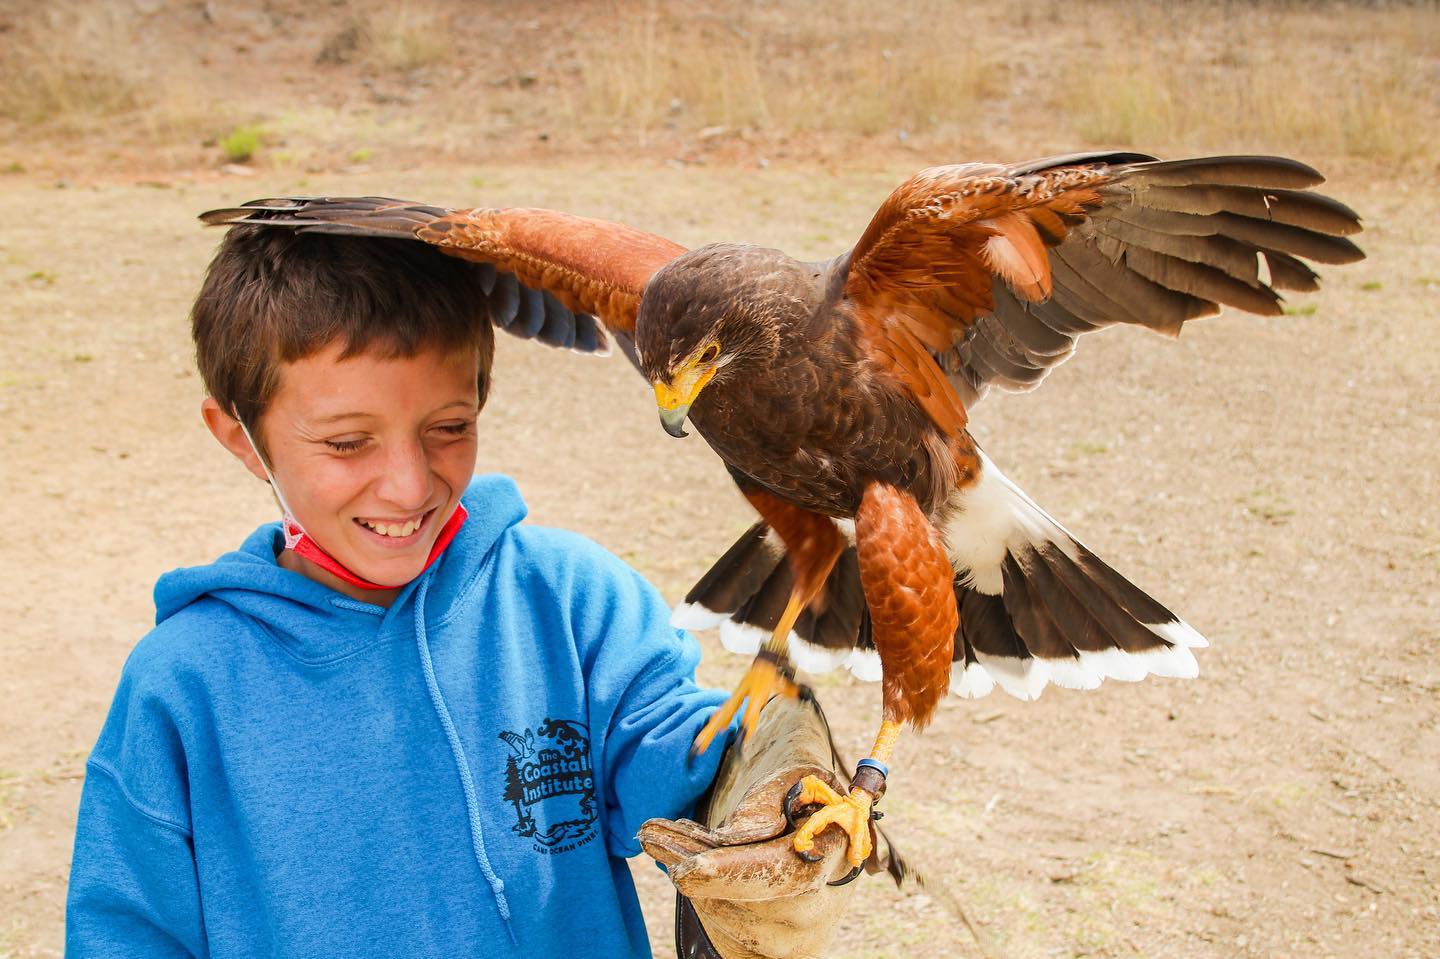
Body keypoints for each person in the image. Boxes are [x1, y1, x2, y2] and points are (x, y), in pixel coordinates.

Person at [64, 225, 738, 957]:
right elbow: (125, 932)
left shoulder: (572, 600)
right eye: (349, 442)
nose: (410, 483)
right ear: (239, 437)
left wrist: (763, 765)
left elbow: (677, 764)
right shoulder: (182, 685)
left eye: (449, 426)